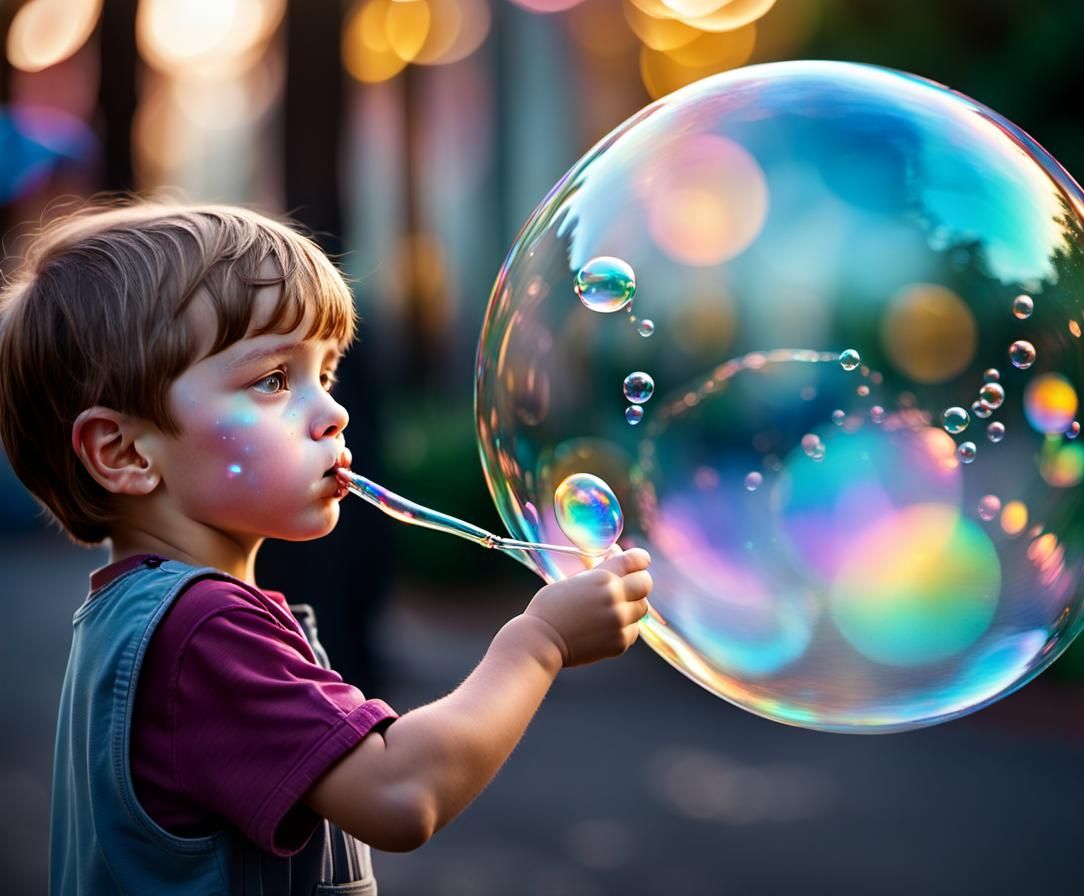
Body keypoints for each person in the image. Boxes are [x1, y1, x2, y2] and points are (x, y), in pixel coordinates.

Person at [0, 198, 653, 895]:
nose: (334, 412)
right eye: (274, 380)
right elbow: (402, 792)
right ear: (125, 452)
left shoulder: (141, 619)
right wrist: (539, 641)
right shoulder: (202, 634)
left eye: (326, 373)